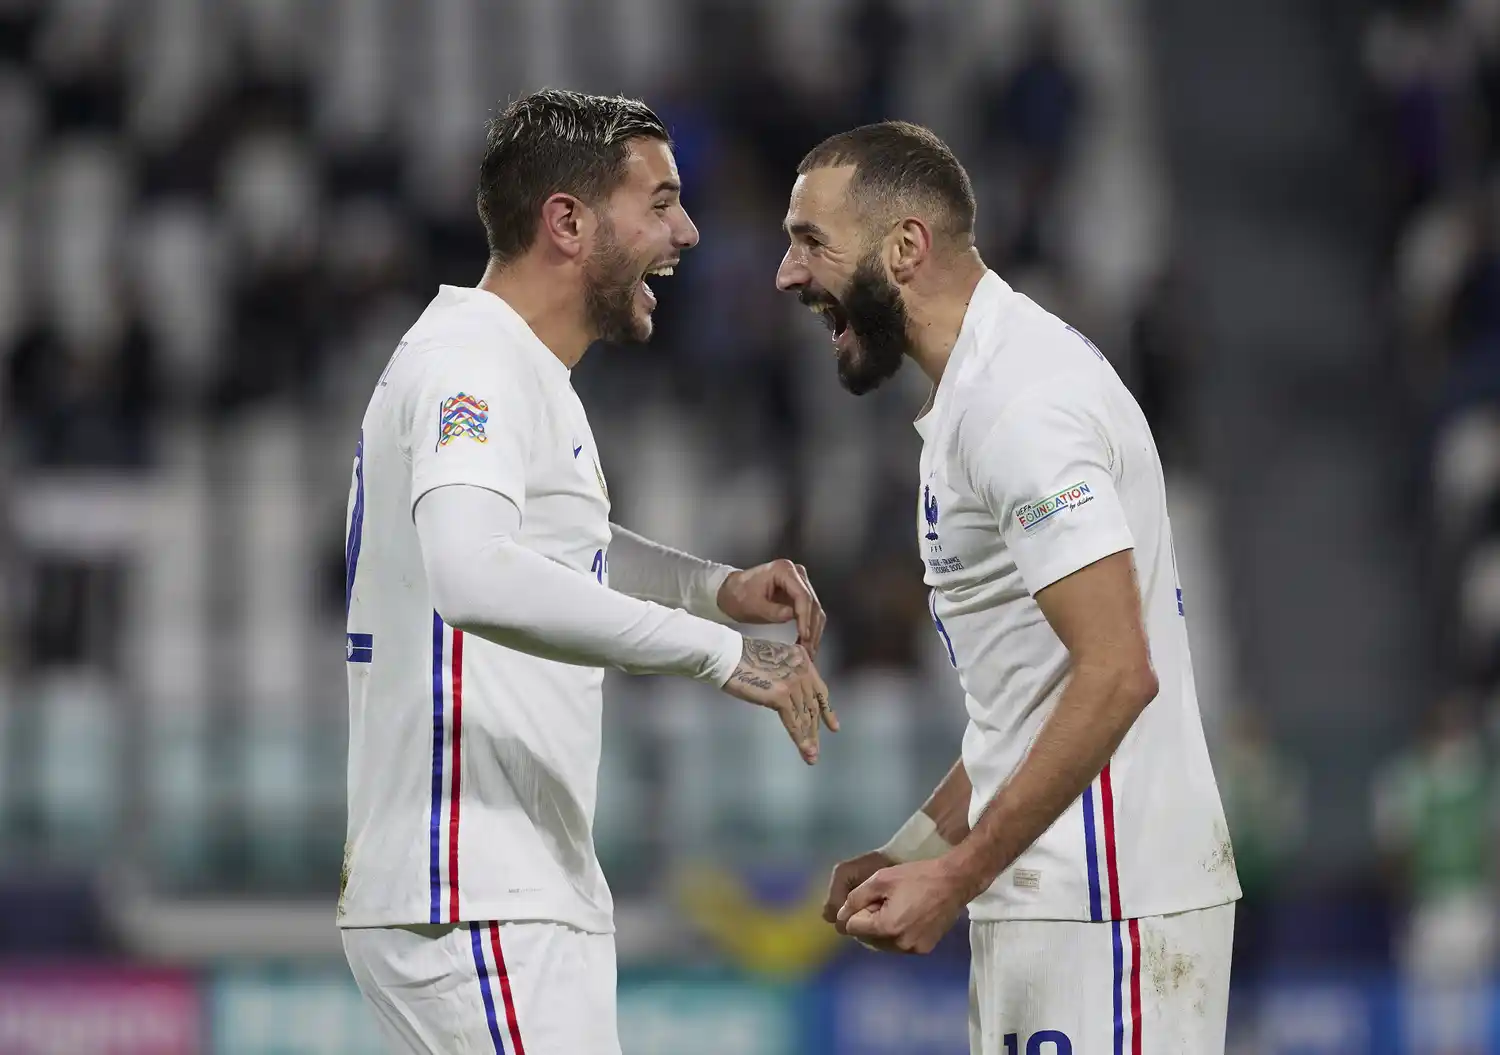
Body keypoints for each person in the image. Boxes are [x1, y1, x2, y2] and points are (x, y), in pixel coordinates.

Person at [339, 89, 837, 1055]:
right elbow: (475, 573)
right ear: (566, 222)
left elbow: (561, 549)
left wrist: (712, 587)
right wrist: (717, 652)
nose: (687, 230)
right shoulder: (471, 366)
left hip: (507, 886)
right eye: (659, 203)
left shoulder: (520, 369)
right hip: (473, 885)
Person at [775, 121, 1241, 1053]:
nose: (789, 275)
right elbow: (1028, 703)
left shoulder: (1019, 406)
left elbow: (1117, 672)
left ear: (905, 247)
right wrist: (917, 852)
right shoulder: (977, 397)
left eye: (810, 242)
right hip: (1055, 897)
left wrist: (958, 876)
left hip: (1108, 904)